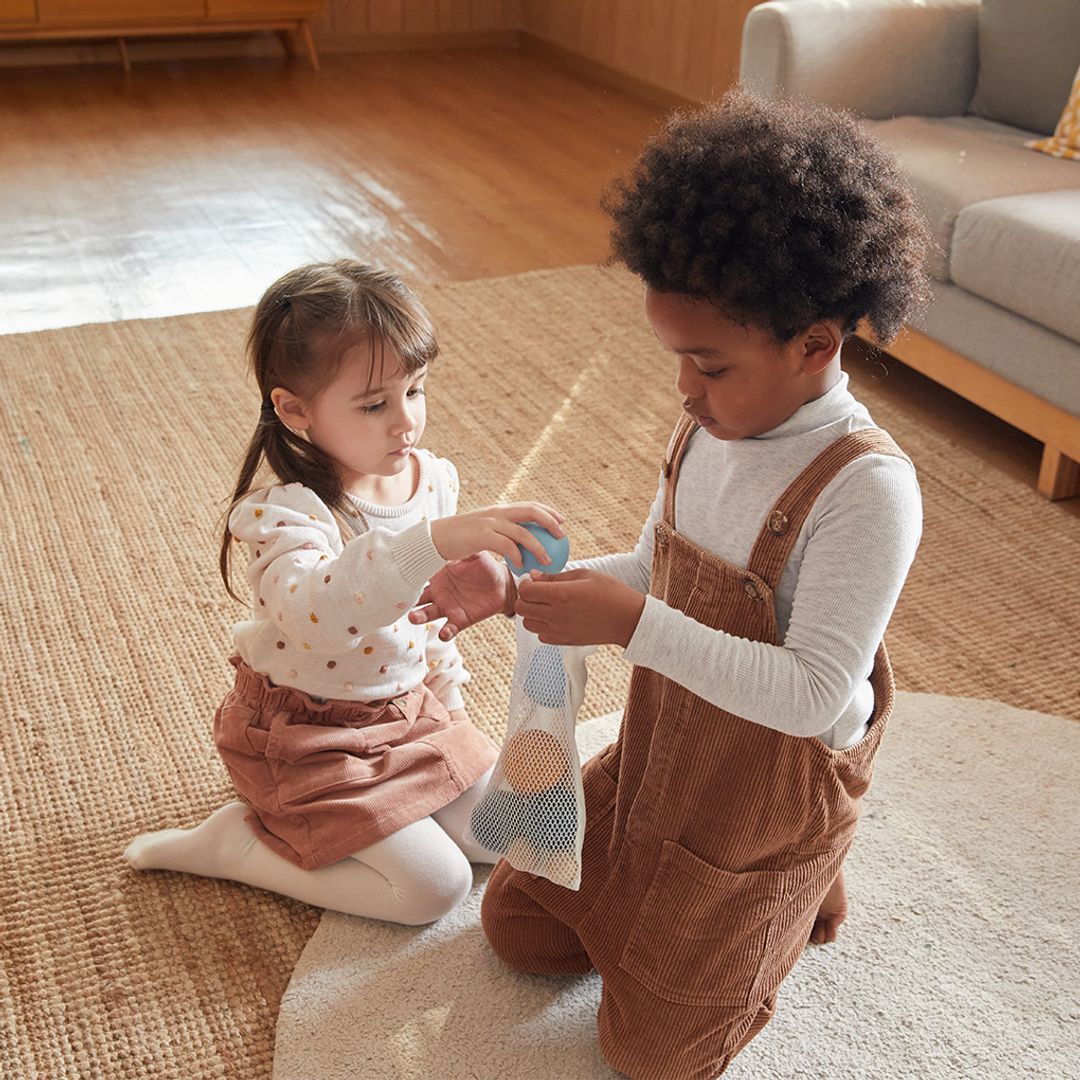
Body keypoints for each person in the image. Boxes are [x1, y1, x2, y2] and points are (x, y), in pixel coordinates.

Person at [409, 90, 930, 1076]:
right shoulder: (710, 426)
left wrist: (632, 624)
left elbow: (817, 692)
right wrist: (515, 591)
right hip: (666, 755)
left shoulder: (867, 490)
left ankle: (801, 874)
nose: (684, 391)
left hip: (765, 791)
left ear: (815, 344)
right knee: (516, 929)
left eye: (710, 364)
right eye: (677, 359)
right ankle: (699, 894)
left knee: (654, 1056)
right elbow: (654, 571)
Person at [124, 259, 565, 926]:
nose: (405, 422)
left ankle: (396, 807)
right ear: (295, 409)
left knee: (504, 833)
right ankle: (239, 845)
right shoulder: (287, 513)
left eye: (415, 391)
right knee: (431, 891)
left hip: (407, 719)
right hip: (308, 739)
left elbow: (430, 620)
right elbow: (320, 617)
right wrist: (431, 542)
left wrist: (450, 713)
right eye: (374, 404)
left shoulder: (430, 480)